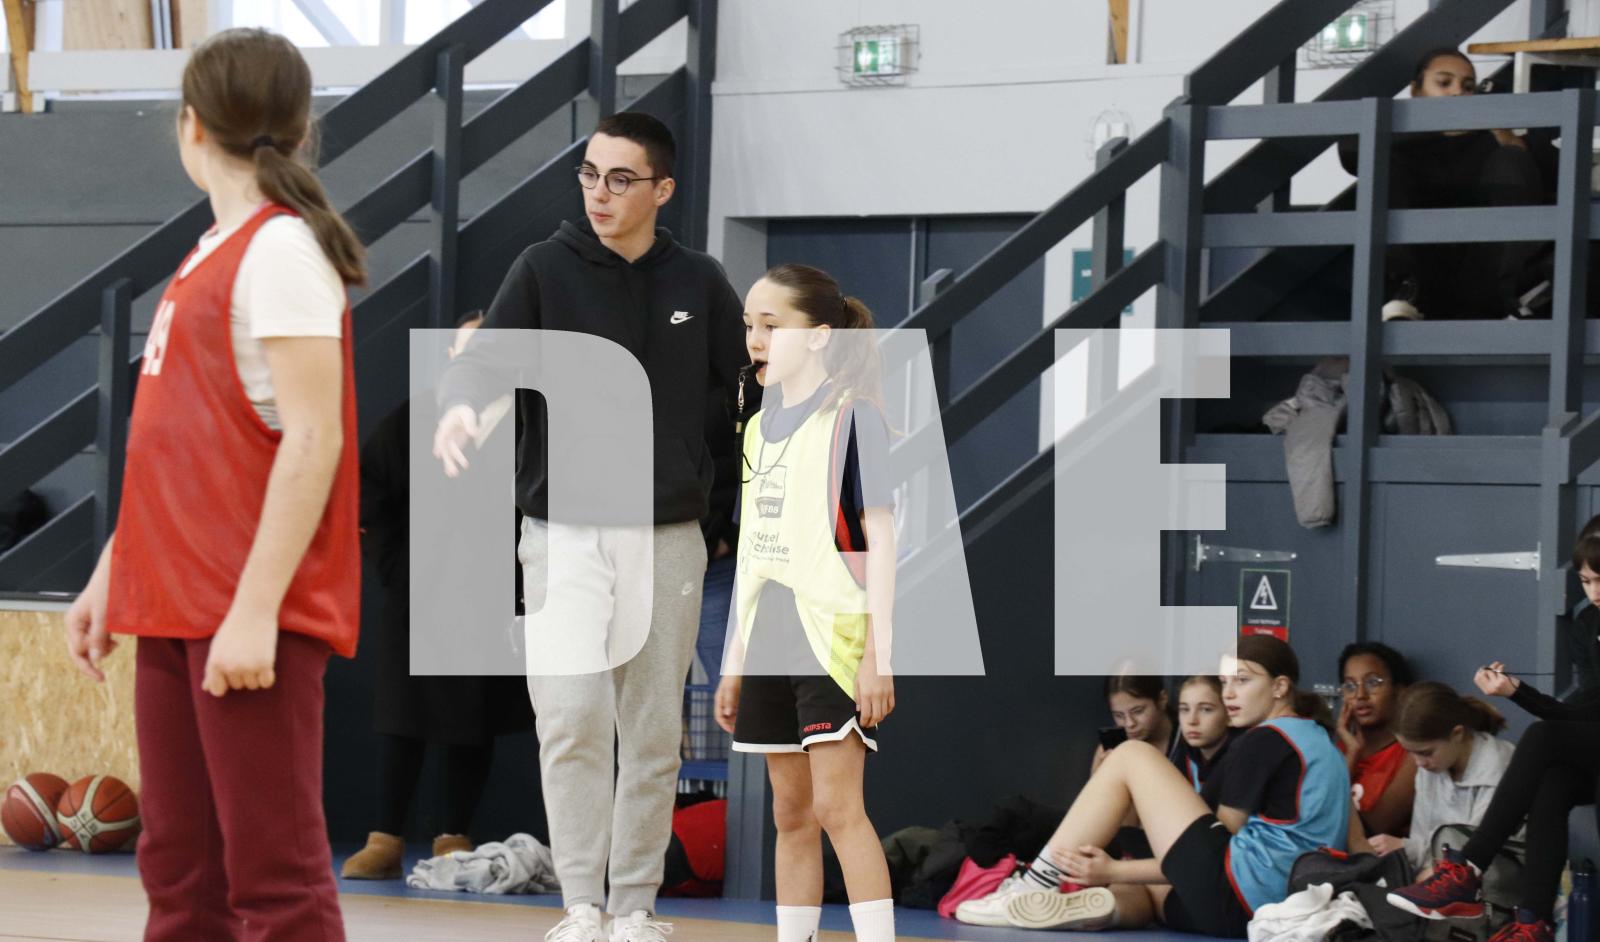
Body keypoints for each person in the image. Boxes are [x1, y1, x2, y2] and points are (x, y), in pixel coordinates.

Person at [62, 28, 363, 940]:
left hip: (243, 610)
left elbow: (314, 441)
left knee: (274, 877)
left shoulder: (281, 254)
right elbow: (174, 446)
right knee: (181, 871)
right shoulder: (212, 252)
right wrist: (113, 571)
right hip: (177, 603)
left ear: (190, 127)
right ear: (302, 127)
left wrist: (254, 610)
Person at [433, 111, 752, 942]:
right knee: (571, 719)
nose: (599, 193)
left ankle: (636, 906)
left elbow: (748, 395)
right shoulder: (543, 269)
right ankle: (580, 903)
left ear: (662, 190)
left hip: (667, 536)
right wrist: (461, 411)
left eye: (620, 179)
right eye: (589, 175)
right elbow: (481, 362)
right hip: (561, 532)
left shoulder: (702, 283)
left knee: (651, 733)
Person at [712, 263, 897, 942]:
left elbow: (880, 542)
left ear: (820, 336)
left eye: (771, 325)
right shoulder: (758, 426)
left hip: (837, 634)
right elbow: (756, 554)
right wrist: (733, 661)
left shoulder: (855, 419)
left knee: (837, 807)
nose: (755, 338)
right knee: (790, 814)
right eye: (748, 325)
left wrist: (880, 656)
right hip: (769, 633)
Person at [956, 635, 1349, 937]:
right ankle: (1103, 907)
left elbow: (1222, 845)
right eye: (1225, 682)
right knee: (1149, 891)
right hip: (1262, 912)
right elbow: (1354, 841)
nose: (1229, 693)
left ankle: (1033, 886)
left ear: (1280, 687)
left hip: (1239, 895)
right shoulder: (1323, 742)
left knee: (1131, 755)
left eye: (1242, 681)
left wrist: (1115, 868)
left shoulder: (1266, 739)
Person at [341, 311, 540, 879]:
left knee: (470, 724)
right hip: (419, 595)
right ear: (452, 360)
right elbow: (371, 489)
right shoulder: (418, 416)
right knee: (403, 720)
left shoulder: (536, 424)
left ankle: (454, 833)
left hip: (498, 600)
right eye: (466, 352)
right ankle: (384, 838)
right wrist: (394, 566)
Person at [1386, 526, 1600, 942]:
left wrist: (1520, 693)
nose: (1594, 592)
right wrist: (1516, 691)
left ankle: (1468, 869)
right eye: (1587, 581)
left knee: (1541, 738)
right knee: (1552, 783)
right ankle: (1532, 923)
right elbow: (1583, 711)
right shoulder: (1588, 623)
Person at [1339, 47, 1546, 321]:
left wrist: (1506, 138)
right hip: (1424, 277)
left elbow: (1551, 164)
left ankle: (1511, 299)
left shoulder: (1488, 138)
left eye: (1468, 86)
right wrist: (1434, 127)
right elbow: (1351, 149)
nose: (1457, 92)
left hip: (1484, 276)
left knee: (1512, 159)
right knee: (1385, 165)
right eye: (1444, 83)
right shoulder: (1400, 143)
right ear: (1416, 91)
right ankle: (1403, 292)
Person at [1352, 682, 1516, 872]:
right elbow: (1421, 837)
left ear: (1457, 734)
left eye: (1426, 752)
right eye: (1410, 752)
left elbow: (1476, 856)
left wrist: (1407, 849)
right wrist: (1407, 851)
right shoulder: (1432, 766)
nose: (1419, 762)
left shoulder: (1499, 768)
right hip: (1441, 876)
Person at [1337, 641, 1417, 837]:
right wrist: (1352, 755)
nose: (1360, 695)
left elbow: (1374, 829)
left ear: (1400, 691)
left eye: (1373, 682)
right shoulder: (1343, 748)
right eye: (1350, 686)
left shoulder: (1413, 754)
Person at [1091, 675, 1179, 776]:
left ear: (1162, 699)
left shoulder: (1189, 737)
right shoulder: (1110, 750)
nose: (1129, 723)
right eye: (1119, 715)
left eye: (1138, 711)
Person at [1171, 675, 1240, 791]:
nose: (1192, 721)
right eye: (1185, 709)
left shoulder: (1241, 756)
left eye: (1206, 709)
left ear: (1229, 715)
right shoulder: (1186, 752)